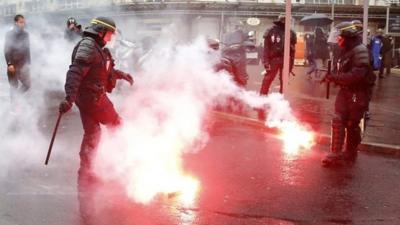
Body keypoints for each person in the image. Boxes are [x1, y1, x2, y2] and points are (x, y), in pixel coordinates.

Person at [58, 17, 133, 225]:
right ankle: (109, 174)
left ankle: (99, 172)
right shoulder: (88, 46)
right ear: (100, 31)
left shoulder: (99, 48)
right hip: (93, 101)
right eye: (109, 34)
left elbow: (104, 71)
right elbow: (75, 73)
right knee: (115, 129)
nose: (110, 38)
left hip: (94, 100)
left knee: (94, 138)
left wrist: (121, 75)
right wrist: (69, 98)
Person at [322, 21, 374, 167]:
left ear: (348, 36)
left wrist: (335, 78)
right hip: (345, 91)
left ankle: (351, 150)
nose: (337, 40)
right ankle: (335, 154)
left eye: (339, 38)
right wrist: (330, 75)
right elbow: (342, 70)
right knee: (338, 119)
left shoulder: (360, 50)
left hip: (358, 92)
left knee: (352, 124)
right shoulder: (345, 50)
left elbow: (357, 75)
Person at [260, 14, 296, 95]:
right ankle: (262, 96)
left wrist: (291, 64)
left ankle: (281, 97)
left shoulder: (291, 33)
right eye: (283, 20)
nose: (285, 22)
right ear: (280, 20)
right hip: (274, 59)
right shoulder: (271, 31)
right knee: (268, 78)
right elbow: (266, 48)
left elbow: (293, 51)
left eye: (287, 21)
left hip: (286, 59)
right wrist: (266, 62)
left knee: (284, 80)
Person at [4, 14, 31, 100]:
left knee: (27, 85)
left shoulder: (26, 34)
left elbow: (27, 49)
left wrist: (28, 63)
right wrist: (9, 64)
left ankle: (17, 98)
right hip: (13, 64)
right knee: (13, 86)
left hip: (23, 65)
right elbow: (6, 50)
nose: (23, 24)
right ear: (16, 23)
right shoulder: (9, 34)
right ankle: (13, 107)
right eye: (21, 22)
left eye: (23, 22)